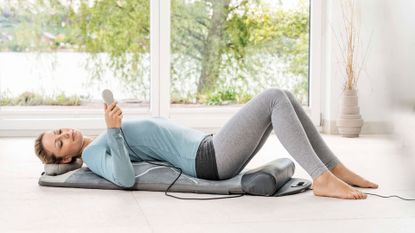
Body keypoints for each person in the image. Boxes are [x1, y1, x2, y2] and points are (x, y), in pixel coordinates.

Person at [34, 88, 378, 200]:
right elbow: (124, 178)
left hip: (210, 147)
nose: (67, 136)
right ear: (64, 161)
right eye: (60, 143)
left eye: (60, 131)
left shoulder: (105, 136)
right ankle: (321, 177)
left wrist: (113, 129)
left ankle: (334, 168)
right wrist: (114, 131)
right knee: (274, 98)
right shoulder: (94, 154)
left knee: (283, 96)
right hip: (207, 160)